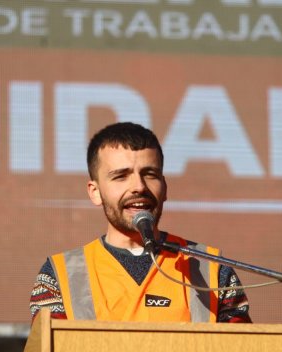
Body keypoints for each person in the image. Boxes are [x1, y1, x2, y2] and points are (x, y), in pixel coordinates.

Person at [30, 122, 251, 323]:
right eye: (121, 176)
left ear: (165, 187)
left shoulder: (212, 268)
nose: (139, 187)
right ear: (95, 192)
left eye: (150, 174)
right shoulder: (59, 275)